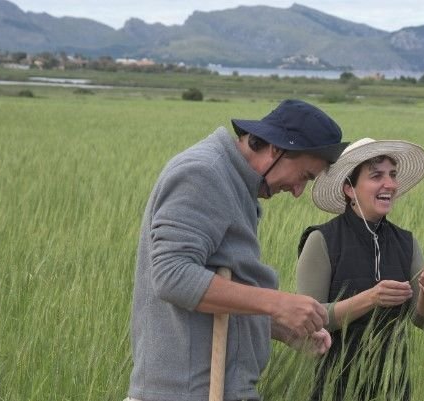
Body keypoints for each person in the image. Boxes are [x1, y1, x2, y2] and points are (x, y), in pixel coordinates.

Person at [127, 99, 349, 401]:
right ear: (276, 149)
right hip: (185, 393)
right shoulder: (204, 174)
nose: (298, 192)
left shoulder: (233, 181)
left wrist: (280, 327)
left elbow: (215, 294)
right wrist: (277, 303)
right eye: (305, 176)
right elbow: (171, 275)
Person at [296, 138, 424, 401]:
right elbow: (309, 322)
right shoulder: (322, 240)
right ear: (348, 189)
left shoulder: (406, 242)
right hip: (336, 388)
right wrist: (370, 298)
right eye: (376, 176)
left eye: (392, 175)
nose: (389, 184)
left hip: (394, 387)